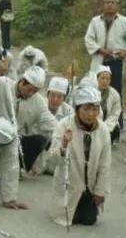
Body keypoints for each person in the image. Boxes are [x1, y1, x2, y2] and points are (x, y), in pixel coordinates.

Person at [49, 86, 111, 226]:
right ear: (77, 109)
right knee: (67, 218)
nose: (90, 115)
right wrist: (64, 144)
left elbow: (105, 164)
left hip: (90, 186)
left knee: (89, 219)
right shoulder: (64, 125)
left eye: (94, 109)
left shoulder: (103, 130)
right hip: (68, 186)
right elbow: (54, 160)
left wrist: (100, 191)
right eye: (86, 109)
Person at [0, 66, 56, 173]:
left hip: (14, 143)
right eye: (30, 89)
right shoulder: (3, 84)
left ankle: (19, 166)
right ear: (22, 81)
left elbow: (50, 123)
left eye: (35, 91)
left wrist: (63, 133)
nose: (31, 94)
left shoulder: (38, 102)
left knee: (41, 140)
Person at [84, 0, 126, 100]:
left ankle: (117, 117)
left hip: (116, 61)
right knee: (95, 90)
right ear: (103, 5)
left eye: (112, 2)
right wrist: (99, 49)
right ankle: (97, 115)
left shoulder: (125, 22)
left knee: (115, 92)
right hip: (99, 60)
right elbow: (88, 38)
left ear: (117, 5)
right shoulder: (95, 21)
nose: (110, 5)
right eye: (107, 2)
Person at [96, 65, 121, 145]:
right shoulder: (91, 91)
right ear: (97, 79)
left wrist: (105, 127)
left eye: (108, 79)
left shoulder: (114, 94)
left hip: (107, 124)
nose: (105, 81)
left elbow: (115, 114)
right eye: (102, 78)